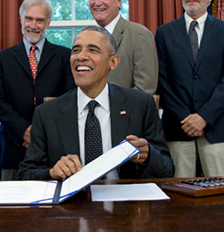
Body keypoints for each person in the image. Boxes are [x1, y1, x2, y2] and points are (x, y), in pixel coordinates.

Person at [17, 26, 174, 181]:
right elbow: (25, 174)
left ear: (113, 62)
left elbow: (167, 168)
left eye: (93, 50)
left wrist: (148, 156)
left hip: (125, 203)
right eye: (76, 50)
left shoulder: (141, 104)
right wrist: (52, 172)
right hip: (72, 203)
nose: (81, 57)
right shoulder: (46, 113)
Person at [155, 0, 224, 178]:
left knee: (220, 192)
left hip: (217, 125)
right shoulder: (164, 33)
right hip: (178, 126)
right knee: (178, 194)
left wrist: (204, 117)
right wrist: (186, 117)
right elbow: (161, 80)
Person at [0, 0, 75, 180]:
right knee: (12, 206)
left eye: (40, 20)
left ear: (48, 23)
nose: (33, 25)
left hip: (52, 149)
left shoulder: (64, 56)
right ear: (21, 19)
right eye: (29, 19)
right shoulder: (2, 59)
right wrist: (23, 131)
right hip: (13, 146)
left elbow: (70, 99)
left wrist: (40, 134)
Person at [88, 0, 158, 94]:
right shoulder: (87, 38)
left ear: (119, 1)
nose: (97, 3)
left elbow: (145, 88)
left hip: (125, 111)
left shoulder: (139, 35)